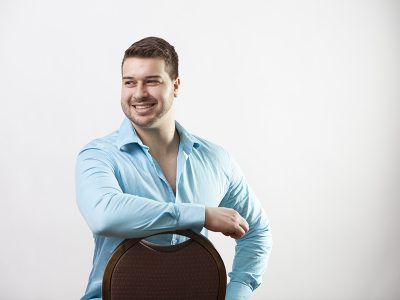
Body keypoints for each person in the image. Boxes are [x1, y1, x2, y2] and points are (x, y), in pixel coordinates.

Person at [76, 36, 272, 299]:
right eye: (129, 82)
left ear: (176, 86)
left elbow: (257, 231)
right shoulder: (99, 155)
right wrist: (202, 215)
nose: (139, 93)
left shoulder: (216, 159)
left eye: (152, 81)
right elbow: (104, 214)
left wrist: (238, 291)